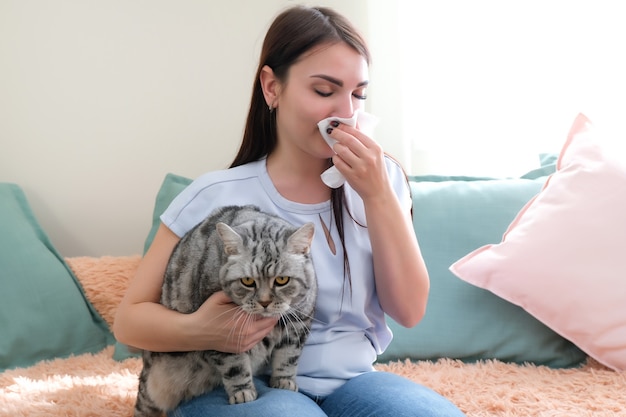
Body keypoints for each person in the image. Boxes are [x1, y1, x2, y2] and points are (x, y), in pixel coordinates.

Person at [114, 5, 466, 417]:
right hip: (245, 384)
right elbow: (128, 322)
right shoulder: (213, 196)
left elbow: (408, 310)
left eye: (358, 94)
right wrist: (202, 330)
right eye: (324, 91)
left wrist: (378, 196)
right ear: (271, 87)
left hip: (353, 381)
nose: (346, 112)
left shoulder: (381, 181)